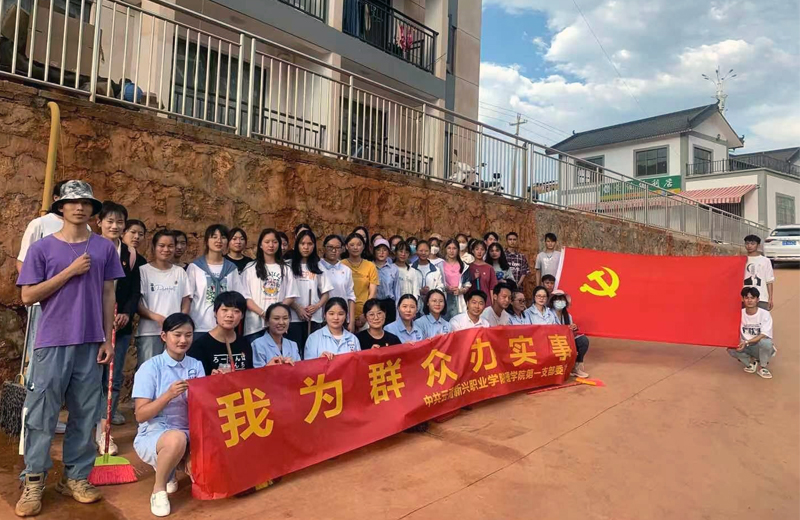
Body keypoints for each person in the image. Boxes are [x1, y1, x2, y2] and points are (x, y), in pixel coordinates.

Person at [16, 180, 124, 517]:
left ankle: (76, 477)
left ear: (93, 210)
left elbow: (108, 293)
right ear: (60, 207)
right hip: (51, 341)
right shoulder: (43, 248)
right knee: (41, 414)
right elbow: (28, 295)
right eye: (73, 202)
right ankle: (33, 480)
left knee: (85, 414)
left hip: (90, 342)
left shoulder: (104, 248)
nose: (80, 207)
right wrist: (69, 272)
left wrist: (107, 338)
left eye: (86, 203)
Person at [132, 313, 205, 517]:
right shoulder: (150, 368)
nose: (183, 340)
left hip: (189, 430)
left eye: (188, 335)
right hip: (157, 433)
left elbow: (202, 406)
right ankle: (159, 489)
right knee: (176, 439)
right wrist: (168, 395)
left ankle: (173, 466)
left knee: (204, 469)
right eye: (177, 334)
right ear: (164, 336)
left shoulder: (196, 365)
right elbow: (140, 415)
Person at [96, 202, 144, 449]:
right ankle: (85, 428)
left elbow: (135, 290)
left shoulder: (130, 255)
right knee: (90, 379)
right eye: (110, 221)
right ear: (99, 223)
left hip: (119, 327)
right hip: (92, 326)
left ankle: (104, 432)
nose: (115, 226)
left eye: (120, 222)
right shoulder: (90, 247)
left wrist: (126, 313)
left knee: (113, 380)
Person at [137, 231, 192, 370]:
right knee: (149, 370)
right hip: (150, 332)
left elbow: (186, 300)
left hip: (175, 333)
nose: (166, 249)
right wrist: (157, 318)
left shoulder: (179, 272)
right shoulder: (143, 271)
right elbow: (138, 304)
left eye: (170, 246)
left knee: (174, 371)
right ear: (154, 247)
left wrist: (179, 322)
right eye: (161, 245)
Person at [240, 228, 298, 344]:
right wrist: (263, 314)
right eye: (267, 242)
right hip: (255, 325)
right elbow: (245, 297)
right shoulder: (250, 268)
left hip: (279, 325)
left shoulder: (286, 269)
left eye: (274, 242)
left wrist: (276, 314)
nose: (271, 245)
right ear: (260, 245)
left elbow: (291, 295)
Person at [186, 225, 241, 334]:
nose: (219, 240)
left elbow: (237, 297)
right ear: (206, 241)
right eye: (214, 237)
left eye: (223, 237)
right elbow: (188, 298)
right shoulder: (195, 267)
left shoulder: (231, 269)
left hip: (225, 327)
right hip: (199, 326)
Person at [287, 230, 332, 354]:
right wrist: (297, 308)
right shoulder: (289, 266)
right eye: (302, 243)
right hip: (293, 317)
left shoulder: (318, 266)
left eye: (310, 244)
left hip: (313, 317)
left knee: (312, 352)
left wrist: (317, 306)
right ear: (297, 245)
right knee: (295, 352)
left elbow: (326, 293)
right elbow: (284, 292)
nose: (306, 247)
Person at [187, 292, 253, 375]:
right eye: (224, 310)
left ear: (242, 315)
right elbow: (196, 378)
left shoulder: (244, 343)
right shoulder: (200, 345)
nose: (229, 315)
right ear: (215, 312)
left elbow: (250, 375)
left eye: (236, 311)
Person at [729, 287, 776, 379]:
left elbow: (764, 334)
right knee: (730, 348)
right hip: (745, 345)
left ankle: (762, 367)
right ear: (742, 299)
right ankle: (751, 363)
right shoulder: (738, 314)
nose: (749, 300)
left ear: (757, 300)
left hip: (758, 345)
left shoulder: (764, 314)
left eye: (752, 298)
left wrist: (747, 342)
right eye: (747, 298)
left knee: (766, 342)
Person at [341, 233, 379, 331]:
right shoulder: (341, 265)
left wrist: (365, 313)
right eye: (352, 245)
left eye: (359, 244)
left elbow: (373, 292)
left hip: (365, 313)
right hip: (344, 313)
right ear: (346, 246)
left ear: (363, 246)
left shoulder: (370, 266)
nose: (355, 247)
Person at [320, 234, 357, 333]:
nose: (334, 250)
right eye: (330, 247)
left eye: (337, 248)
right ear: (324, 248)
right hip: (321, 318)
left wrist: (351, 321)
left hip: (341, 318)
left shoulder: (346, 270)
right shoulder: (317, 268)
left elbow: (350, 296)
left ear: (342, 249)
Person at [548, 290, 589, 378]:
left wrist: (573, 328)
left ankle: (575, 366)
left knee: (583, 341)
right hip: (553, 342)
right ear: (552, 301)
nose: (560, 302)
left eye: (562, 299)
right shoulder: (548, 314)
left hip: (565, 341)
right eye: (557, 299)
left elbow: (572, 334)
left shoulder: (567, 316)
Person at [442, 239, 471, 321]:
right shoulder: (440, 265)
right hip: (444, 297)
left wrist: (461, 290)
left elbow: (467, 283)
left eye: (454, 248)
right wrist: (446, 288)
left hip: (458, 298)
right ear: (445, 249)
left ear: (458, 250)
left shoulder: (464, 266)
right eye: (449, 248)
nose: (451, 251)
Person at [743, 234, 774, 310]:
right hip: (744, 298)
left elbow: (769, 281)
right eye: (747, 243)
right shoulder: (741, 260)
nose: (749, 246)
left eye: (752, 244)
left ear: (758, 245)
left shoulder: (765, 261)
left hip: (761, 297)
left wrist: (770, 298)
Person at [373, 239, 399, 323]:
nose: (381, 253)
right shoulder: (369, 267)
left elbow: (397, 291)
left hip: (389, 303)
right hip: (374, 303)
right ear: (374, 251)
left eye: (384, 250)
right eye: (378, 250)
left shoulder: (393, 268)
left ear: (388, 252)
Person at [394, 241, 424, 308]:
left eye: (406, 252)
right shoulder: (391, 269)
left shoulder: (412, 271)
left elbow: (415, 291)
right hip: (395, 305)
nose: (403, 254)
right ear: (395, 252)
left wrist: (413, 305)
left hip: (410, 306)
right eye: (401, 251)